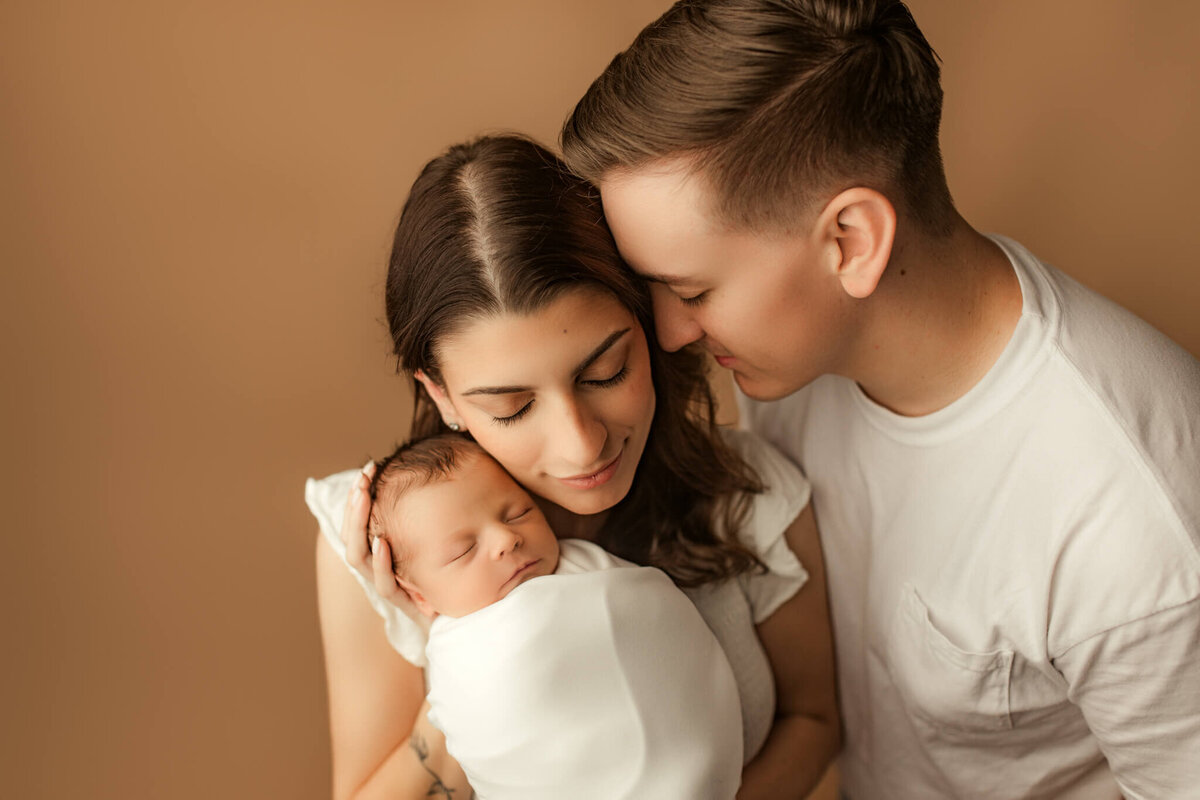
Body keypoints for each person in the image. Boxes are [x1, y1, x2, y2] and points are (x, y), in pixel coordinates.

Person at [560, 1, 1200, 799]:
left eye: (692, 288)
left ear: (851, 241)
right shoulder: (789, 359)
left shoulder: (1138, 526)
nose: (669, 330)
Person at [308, 134, 840, 800]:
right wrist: (454, 658)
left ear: (647, 326)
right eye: (511, 407)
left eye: (606, 371)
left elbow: (814, 720)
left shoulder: (746, 496)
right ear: (440, 394)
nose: (581, 445)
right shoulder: (374, 548)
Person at [362, 432, 744, 799]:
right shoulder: (456, 653)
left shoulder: (589, 567)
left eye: (517, 513)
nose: (505, 539)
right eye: (463, 551)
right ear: (418, 595)